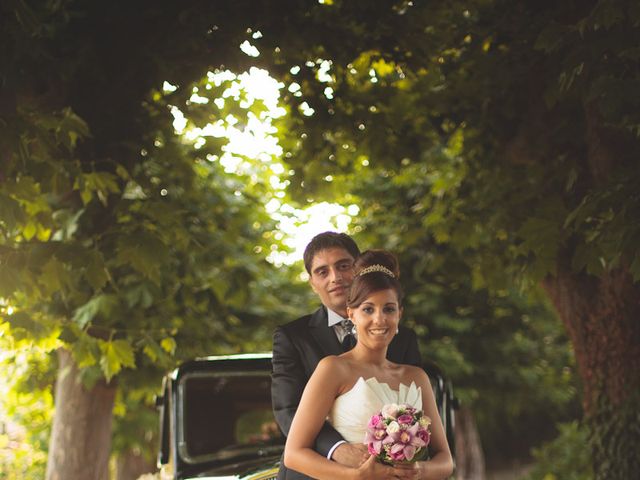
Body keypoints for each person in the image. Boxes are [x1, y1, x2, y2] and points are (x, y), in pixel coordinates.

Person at [283, 250, 454, 479]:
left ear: (399, 315)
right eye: (368, 309)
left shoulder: (417, 377)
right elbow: (294, 454)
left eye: (389, 309)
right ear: (351, 314)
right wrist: (355, 477)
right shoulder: (333, 369)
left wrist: (419, 470)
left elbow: (445, 460)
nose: (379, 319)